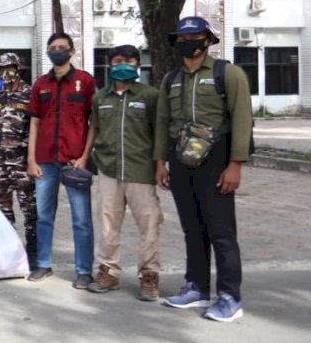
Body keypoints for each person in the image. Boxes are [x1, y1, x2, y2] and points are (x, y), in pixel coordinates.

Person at [155, 17, 251, 322]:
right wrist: (160, 161)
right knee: (191, 226)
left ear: (208, 40)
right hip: (180, 158)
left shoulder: (228, 73)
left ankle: (229, 296)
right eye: (183, 38)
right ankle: (196, 286)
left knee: (221, 230)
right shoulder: (171, 79)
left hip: (216, 158)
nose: (189, 42)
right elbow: (162, 122)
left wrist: (235, 165)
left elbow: (241, 120)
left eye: (196, 36)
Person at [86, 45, 162, 301]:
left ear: (138, 65)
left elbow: (159, 134)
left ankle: (149, 275)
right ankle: (109, 271)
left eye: (130, 61)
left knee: (149, 224)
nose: (123, 65)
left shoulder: (150, 95)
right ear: (109, 65)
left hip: (141, 169)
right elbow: (94, 130)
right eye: (118, 61)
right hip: (108, 169)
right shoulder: (99, 98)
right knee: (108, 223)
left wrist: (161, 165)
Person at [26, 32, 96, 289]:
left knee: (81, 218)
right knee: (44, 215)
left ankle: (84, 270)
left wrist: (85, 157)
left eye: (62, 47)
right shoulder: (41, 84)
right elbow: (34, 122)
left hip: (74, 161)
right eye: (52, 47)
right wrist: (31, 159)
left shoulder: (84, 81)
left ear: (72, 51)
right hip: (44, 160)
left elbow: (93, 123)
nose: (57, 51)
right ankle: (43, 264)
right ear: (47, 52)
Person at [0, 53, 37, 268]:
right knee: (2, 212)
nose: (6, 72)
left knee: (31, 211)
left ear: (19, 69)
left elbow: (37, 128)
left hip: (23, 163)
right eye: (2, 69)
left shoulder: (30, 94)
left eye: (10, 67)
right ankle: (9, 252)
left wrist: (34, 160)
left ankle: (34, 256)